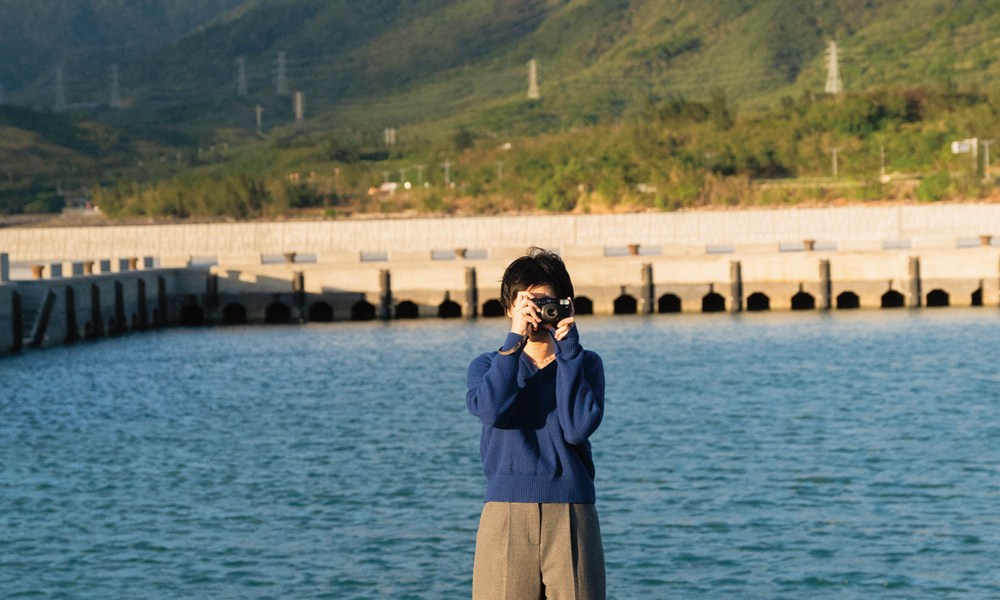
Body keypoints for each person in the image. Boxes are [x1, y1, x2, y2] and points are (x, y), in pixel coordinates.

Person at [466, 247, 606, 600]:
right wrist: (513, 343)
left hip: (573, 511)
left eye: (547, 303)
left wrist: (569, 352)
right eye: (527, 302)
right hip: (506, 513)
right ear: (509, 308)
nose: (537, 313)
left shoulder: (585, 363)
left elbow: (577, 427)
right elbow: (492, 411)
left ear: (565, 305)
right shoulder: (486, 365)